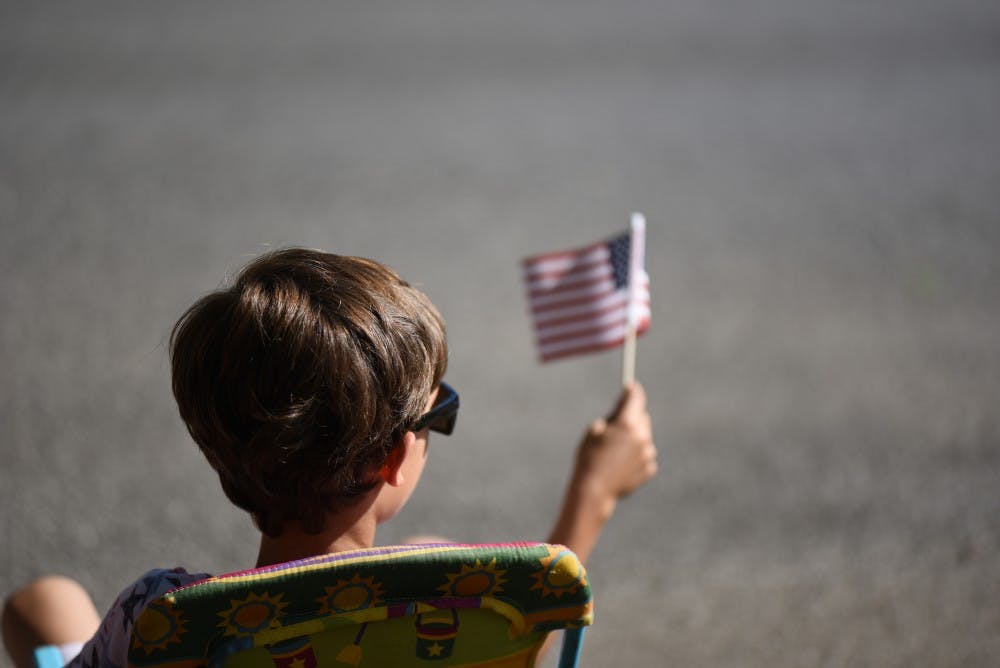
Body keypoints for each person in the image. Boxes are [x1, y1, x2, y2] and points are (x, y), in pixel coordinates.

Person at [2, 248, 657, 668]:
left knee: (43, 602)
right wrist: (591, 497)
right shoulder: (468, 608)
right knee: (431, 548)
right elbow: (527, 633)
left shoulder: (162, 618)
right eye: (440, 414)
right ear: (395, 457)